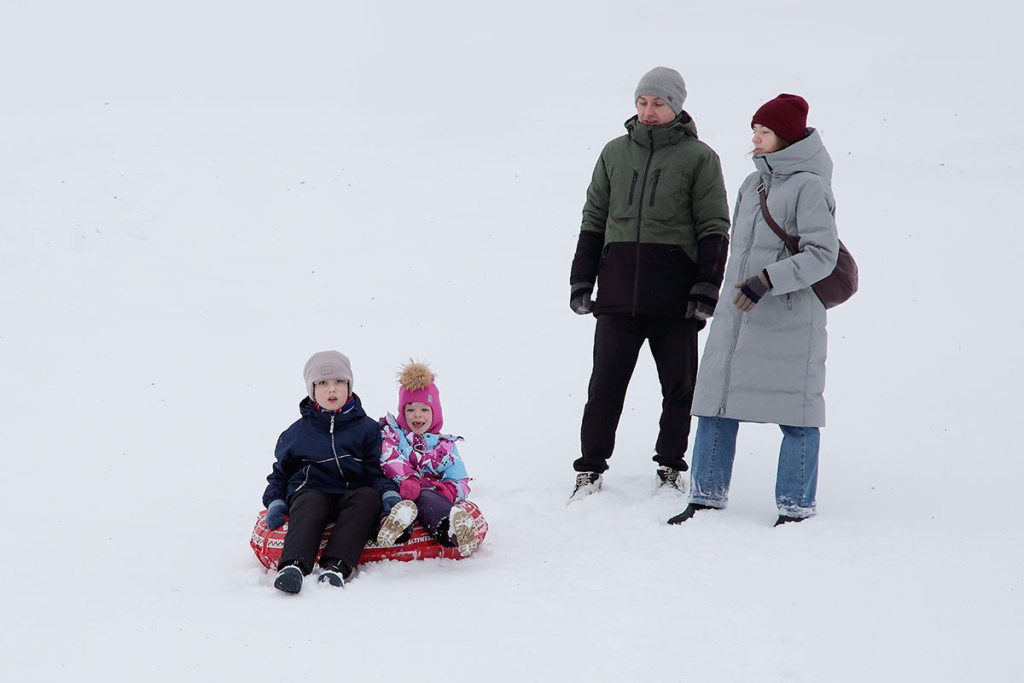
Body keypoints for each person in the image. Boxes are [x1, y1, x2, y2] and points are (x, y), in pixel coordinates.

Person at [668, 94, 840, 527]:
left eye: (763, 132)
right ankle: (705, 496)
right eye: (755, 130)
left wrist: (767, 280)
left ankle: (795, 506)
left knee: (795, 411)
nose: (755, 138)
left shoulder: (810, 185)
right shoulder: (753, 183)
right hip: (739, 313)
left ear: (785, 137)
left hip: (789, 317)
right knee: (715, 402)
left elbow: (823, 254)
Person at [568, 66, 731, 501]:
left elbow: (714, 226)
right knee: (604, 385)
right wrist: (582, 279)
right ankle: (589, 469)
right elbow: (594, 219)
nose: (648, 111)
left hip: (676, 297)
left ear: (675, 106)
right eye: (642, 102)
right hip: (618, 291)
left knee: (679, 388)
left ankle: (670, 467)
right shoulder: (614, 153)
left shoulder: (699, 157)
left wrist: (706, 288)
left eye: (658, 103)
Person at [262, 350, 393, 593]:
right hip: (312, 492)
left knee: (367, 497)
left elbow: (378, 470)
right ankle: (293, 566)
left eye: (339, 382)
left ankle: (336, 567)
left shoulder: (368, 429)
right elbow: (280, 474)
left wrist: (387, 495)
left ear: (349, 387)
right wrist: (276, 502)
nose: (331, 389)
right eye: (322, 383)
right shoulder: (296, 433)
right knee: (309, 500)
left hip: (352, 495)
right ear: (311, 391)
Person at [375, 361, 478, 557]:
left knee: (428, 498)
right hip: (397, 492)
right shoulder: (392, 434)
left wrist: (449, 490)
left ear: (435, 413)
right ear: (402, 413)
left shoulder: (445, 446)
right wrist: (409, 479)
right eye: (410, 409)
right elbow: (390, 458)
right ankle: (395, 525)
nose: (417, 415)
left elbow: (461, 479)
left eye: (424, 409)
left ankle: (451, 530)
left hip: (429, 495)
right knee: (388, 496)